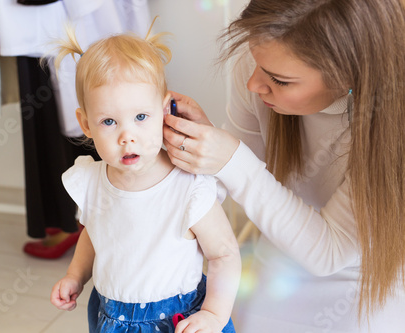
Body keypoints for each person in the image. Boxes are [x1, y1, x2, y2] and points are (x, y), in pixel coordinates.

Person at [163, 0, 405, 332]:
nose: (253, 83)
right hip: (285, 245)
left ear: (348, 73)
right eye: (255, 63)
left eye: (280, 80)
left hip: (371, 270)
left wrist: (232, 160)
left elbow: (329, 252)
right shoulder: (263, 59)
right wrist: (199, 149)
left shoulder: (393, 121)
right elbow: (237, 168)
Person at [49, 21, 241, 333]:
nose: (128, 136)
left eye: (141, 117)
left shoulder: (187, 186)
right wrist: (75, 275)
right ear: (86, 124)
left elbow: (224, 254)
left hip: (177, 319)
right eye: (109, 121)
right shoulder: (91, 182)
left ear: (164, 109)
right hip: (113, 316)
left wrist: (214, 315)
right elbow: (94, 234)